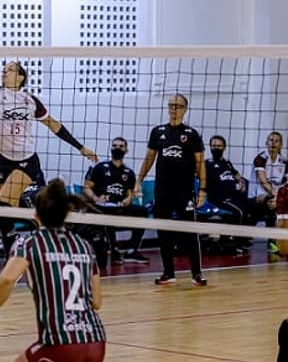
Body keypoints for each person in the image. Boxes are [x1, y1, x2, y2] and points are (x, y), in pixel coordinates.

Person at [0, 17, 98, 251]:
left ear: (22, 77)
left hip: (26, 160)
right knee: (4, 206)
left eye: (10, 70)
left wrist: (80, 147)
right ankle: (26, 238)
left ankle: (18, 238)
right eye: (3, 70)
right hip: (3, 158)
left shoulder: (30, 101)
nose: (4, 73)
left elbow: (54, 125)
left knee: (3, 202)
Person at [0, 178, 105, 362]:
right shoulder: (84, 246)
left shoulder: (30, 243)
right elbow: (96, 302)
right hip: (95, 343)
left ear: (36, 214)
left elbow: (6, 280)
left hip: (59, 343)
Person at [135, 94, 208, 286]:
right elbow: (149, 158)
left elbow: (200, 164)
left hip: (184, 192)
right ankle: (168, 273)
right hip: (163, 191)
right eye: (171, 105)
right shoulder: (158, 132)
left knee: (190, 233)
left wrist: (202, 189)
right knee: (164, 232)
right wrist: (139, 180)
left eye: (178, 106)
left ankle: (196, 274)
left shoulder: (191, 134)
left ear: (185, 109)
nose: (174, 109)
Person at [83, 137, 150, 265]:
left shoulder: (128, 173)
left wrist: (128, 200)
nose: (117, 148)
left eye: (121, 146)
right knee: (107, 213)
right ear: (111, 148)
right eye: (115, 146)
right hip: (102, 207)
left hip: (119, 206)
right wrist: (96, 198)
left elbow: (130, 194)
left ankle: (132, 250)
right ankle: (114, 250)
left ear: (126, 150)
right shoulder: (100, 167)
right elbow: (87, 187)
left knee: (142, 211)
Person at [204, 135, 258, 250]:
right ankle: (235, 241)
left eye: (219, 146)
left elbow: (237, 175)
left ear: (224, 147)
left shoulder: (227, 163)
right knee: (240, 212)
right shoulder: (206, 164)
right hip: (219, 198)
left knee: (254, 207)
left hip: (233, 195)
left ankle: (244, 237)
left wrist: (242, 182)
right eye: (213, 146)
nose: (216, 148)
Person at [249, 131, 287, 253]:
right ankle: (271, 242)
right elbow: (263, 181)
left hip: (275, 195)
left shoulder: (284, 161)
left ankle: (282, 240)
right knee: (271, 205)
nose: (273, 143)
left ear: (281, 144)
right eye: (271, 140)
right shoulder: (261, 158)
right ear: (266, 142)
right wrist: (276, 197)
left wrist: (279, 198)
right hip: (257, 194)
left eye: (276, 141)